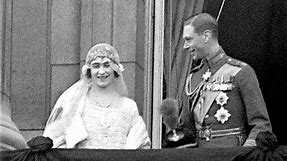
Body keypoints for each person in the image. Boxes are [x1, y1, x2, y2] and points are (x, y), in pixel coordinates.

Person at [172, 13, 272, 148]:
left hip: (232, 154)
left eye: (189, 39)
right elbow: (187, 129)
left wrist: (244, 153)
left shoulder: (241, 72)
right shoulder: (193, 78)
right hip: (200, 156)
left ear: (206, 36)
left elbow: (261, 125)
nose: (185, 46)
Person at [43, 43, 151, 149]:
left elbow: (142, 145)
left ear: (115, 69)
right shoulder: (76, 104)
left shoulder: (128, 106)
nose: (101, 71)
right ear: (89, 71)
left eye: (106, 65)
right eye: (96, 66)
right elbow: (56, 140)